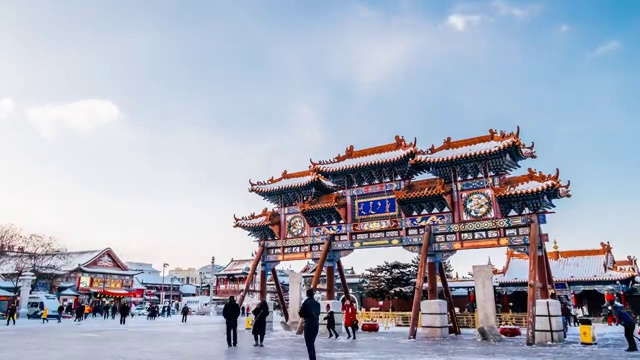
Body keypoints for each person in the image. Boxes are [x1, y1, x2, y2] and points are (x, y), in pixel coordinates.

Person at [299, 288, 320, 360]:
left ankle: (312, 358)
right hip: (316, 324)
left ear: (307, 294)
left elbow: (301, 313)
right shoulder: (317, 304)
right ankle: (313, 357)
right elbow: (318, 314)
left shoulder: (306, 303)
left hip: (308, 324)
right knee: (312, 342)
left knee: (309, 343)